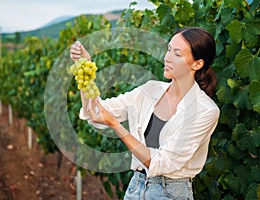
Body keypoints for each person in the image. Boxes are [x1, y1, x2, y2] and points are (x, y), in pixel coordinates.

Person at [70, 27, 220, 199]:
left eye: (177, 54)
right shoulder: (151, 90)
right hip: (136, 186)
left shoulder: (205, 111)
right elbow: (94, 112)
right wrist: (85, 69)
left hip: (170, 193)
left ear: (197, 64)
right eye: (169, 49)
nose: (167, 58)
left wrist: (116, 125)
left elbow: (162, 163)